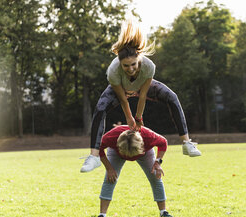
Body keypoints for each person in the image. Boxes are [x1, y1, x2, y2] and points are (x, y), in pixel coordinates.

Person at [81, 19, 201, 173]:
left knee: (172, 97)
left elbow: (142, 94)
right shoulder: (113, 71)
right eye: (126, 65)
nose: (130, 69)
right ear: (120, 63)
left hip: (141, 86)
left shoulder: (148, 67)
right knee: (100, 108)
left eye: (133, 64)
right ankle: (94, 156)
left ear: (139, 60)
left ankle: (186, 143)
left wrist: (138, 117)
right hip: (122, 89)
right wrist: (130, 118)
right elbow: (123, 99)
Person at [95, 125, 172, 217]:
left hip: (144, 153)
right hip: (117, 153)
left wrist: (157, 162)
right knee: (110, 179)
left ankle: (163, 212)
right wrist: (109, 168)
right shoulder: (111, 137)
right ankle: (102, 216)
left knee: (155, 176)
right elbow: (98, 147)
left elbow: (163, 142)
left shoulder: (148, 136)